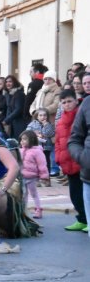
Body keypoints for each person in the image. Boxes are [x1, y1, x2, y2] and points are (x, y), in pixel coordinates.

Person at [57, 89, 87, 232]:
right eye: (64, 102)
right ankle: (81, 219)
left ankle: (87, 219)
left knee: (84, 194)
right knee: (74, 194)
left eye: (69, 101)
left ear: (76, 101)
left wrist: (81, 157)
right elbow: (57, 141)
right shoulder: (61, 120)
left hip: (80, 161)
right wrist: (58, 159)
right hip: (67, 162)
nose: (67, 104)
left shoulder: (81, 115)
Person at [19, 130, 49, 219]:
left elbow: (42, 164)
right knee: (23, 194)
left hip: (31, 177)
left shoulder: (37, 151)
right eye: (21, 139)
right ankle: (23, 210)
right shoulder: (20, 150)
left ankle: (38, 209)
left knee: (34, 194)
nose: (22, 141)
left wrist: (44, 176)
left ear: (31, 139)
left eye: (24, 139)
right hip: (22, 176)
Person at [26, 108, 55, 184]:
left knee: (46, 163)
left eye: (45, 115)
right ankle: (37, 179)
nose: (43, 117)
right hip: (36, 147)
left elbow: (51, 134)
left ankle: (47, 179)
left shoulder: (49, 124)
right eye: (40, 115)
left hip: (46, 147)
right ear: (37, 116)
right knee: (36, 163)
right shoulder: (32, 124)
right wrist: (35, 134)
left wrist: (46, 126)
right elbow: (28, 132)